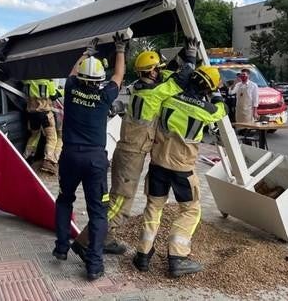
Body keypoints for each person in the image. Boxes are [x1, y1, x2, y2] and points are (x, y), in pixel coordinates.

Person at [70, 38, 200, 262]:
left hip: (129, 153)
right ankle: (85, 242)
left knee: (118, 201)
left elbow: (168, 74)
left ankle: (105, 238)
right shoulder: (152, 93)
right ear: (150, 73)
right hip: (131, 157)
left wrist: (182, 54)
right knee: (119, 206)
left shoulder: (143, 87)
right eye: (156, 70)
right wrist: (189, 59)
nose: (160, 72)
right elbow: (177, 82)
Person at [133, 65, 226, 277]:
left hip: (158, 164)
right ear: (207, 89)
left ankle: (142, 255)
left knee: (154, 207)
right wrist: (218, 95)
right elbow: (221, 111)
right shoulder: (206, 109)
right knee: (191, 210)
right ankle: (177, 258)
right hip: (182, 169)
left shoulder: (168, 98)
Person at [53, 34, 126, 281]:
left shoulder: (71, 88)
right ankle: (94, 265)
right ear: (99, 80)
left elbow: (73, 72)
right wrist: (120, 49)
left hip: (70, 156)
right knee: (97, 212)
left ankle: (62, 248)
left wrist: (87, 52)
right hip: (95, 160)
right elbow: (118, 76)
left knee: (65, 199)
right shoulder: (105, 96)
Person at [22, 79, 59, 174]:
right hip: (45, 114)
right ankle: (48, 161)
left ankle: (26, 158)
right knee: (52, 137)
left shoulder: (27, 81)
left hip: (32, 114)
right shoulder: (48, 81)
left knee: (34, 136)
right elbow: (54, 96)